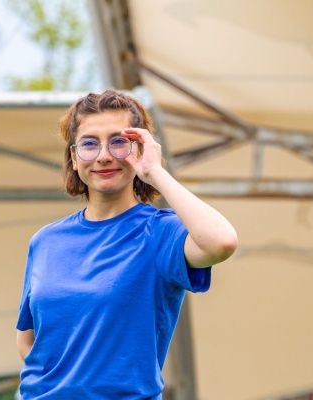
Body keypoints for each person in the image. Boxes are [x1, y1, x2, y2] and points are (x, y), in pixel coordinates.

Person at [16, 88, 238, 399]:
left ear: (141, 149)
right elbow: (27, 337)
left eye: (119, 142)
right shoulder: (45, 241)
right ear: (74, 157)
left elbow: (221, 242)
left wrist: (155, 172)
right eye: (89, 144)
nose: (104, 155)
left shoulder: (160, 233)